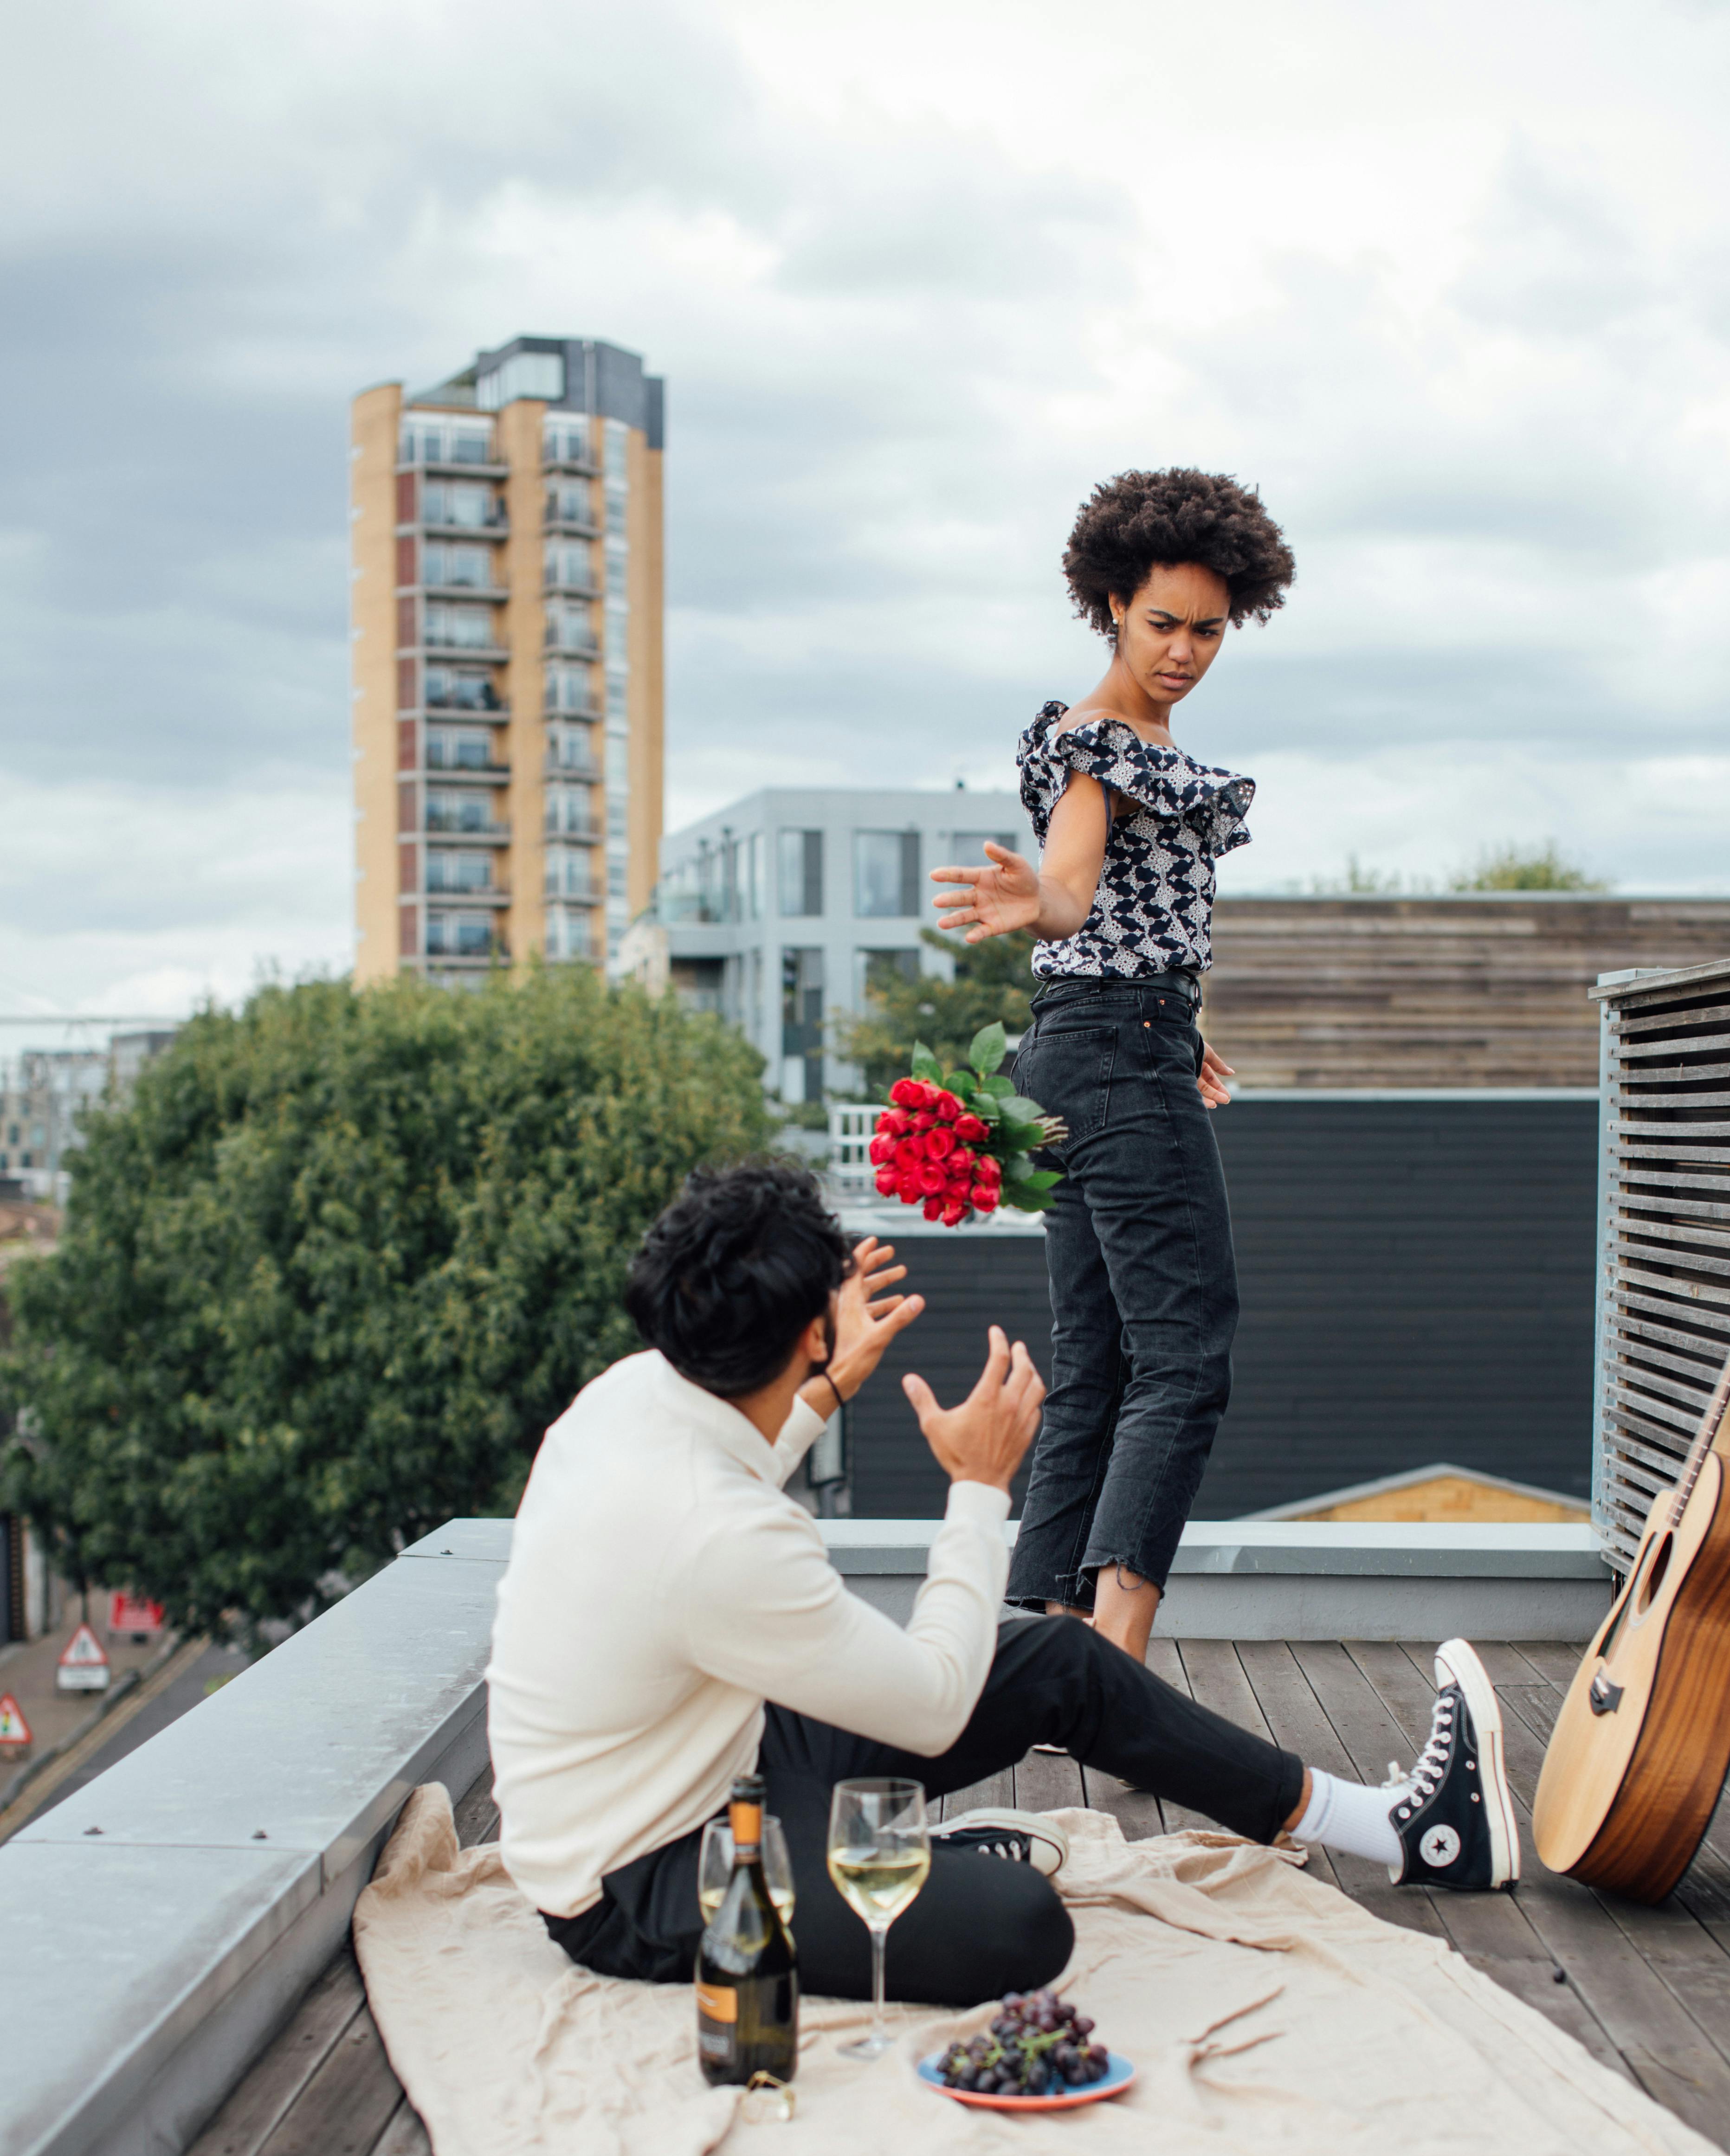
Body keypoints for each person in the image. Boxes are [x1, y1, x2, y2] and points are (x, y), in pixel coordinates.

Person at [486, 1163, 1518, 2011]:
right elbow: (935, 1706)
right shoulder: (717, 1538)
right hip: (642, 1878)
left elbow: (731, 1477)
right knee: (1020, 1926)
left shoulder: (631, 1395)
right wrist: (980, 1489)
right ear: (809, 1328)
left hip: (718, 1754)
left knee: (1061, 1658)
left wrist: (832, 1381)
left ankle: (1391, 1829)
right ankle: (924, 1861)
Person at [932, 467, 1293, 1665]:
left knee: (1096, 1359)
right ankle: (1119, 1662)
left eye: (1208, 629)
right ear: (1108, 605)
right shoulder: (1099, 746)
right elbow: (1077, 890)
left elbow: (1125, 921)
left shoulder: (1116, 737)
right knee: (1183, 1359)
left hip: (1082, 1047)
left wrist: (1168, 1021)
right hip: (1110, 1047)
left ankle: (1038, 1642)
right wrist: (1038, 903)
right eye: (1160, 625)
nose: (1185, 651)